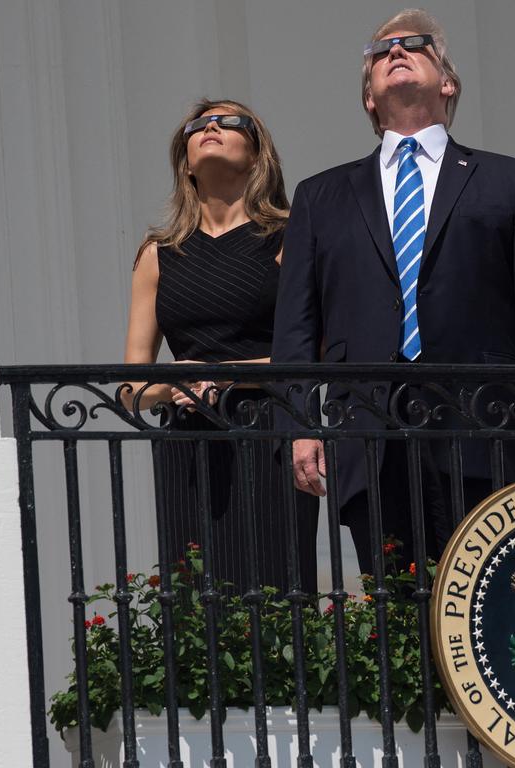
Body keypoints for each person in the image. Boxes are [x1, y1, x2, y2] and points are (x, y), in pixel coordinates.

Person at [272, 9, 515, 575]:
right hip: (368, 430)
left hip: (483, 424)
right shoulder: (322, 196)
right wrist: (300, 426)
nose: (396, 52)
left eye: (414, 45)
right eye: (381, 51)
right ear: (369, 97)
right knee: (391, 614)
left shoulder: (508, 181)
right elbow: (296, 326)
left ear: (448, 82)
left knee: (489, 606)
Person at [123, 98, 318, 594]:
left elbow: (313, 355)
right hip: (188, 442)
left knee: (274, 593)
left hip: (268, 432)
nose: (211, 127)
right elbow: (131, 386)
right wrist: (170, 390)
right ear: (186, 161)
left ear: (256, 155)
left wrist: (230, 373)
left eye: (230, 122)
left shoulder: (290, 237)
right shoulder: (157, 254)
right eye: (198, 125)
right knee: (193, 603)